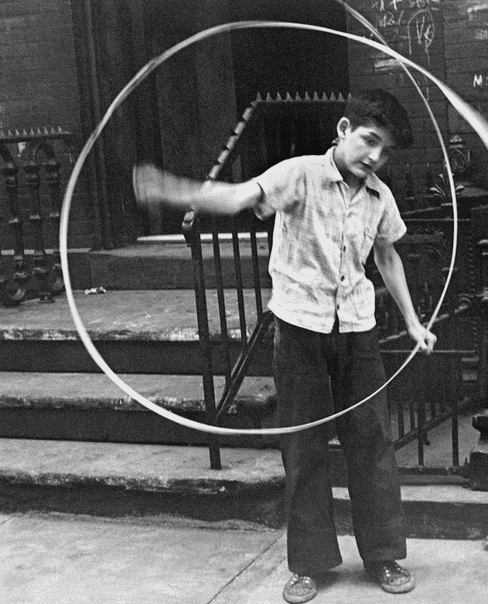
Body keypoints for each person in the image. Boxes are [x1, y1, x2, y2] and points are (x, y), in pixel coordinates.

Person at [133, 89, 436, 603]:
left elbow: (387, 256)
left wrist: (412, 322)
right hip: (299, 332)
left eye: (385, 151)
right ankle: (310, 564)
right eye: (368, 141)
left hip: (358, 330)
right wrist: (173, 191)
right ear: (343, 129)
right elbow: (236, 198)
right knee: (304, 448)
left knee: (372, 443)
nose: (374, 158)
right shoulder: (298, 174)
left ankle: (383, 556)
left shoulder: (380, 197)